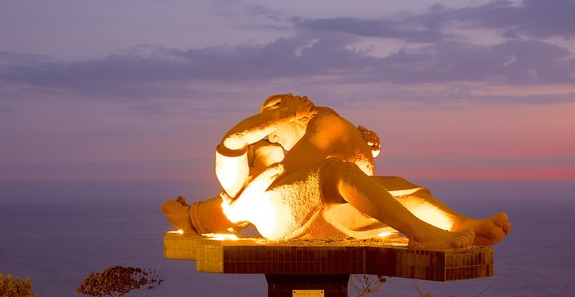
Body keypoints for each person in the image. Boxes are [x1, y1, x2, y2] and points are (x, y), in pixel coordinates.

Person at [162, 94, 511, 250]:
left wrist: (365, 146)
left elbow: (339, 166)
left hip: (320, 213)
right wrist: (279, 114)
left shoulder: (298, 159)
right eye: (281, 110)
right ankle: (422, 235)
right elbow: (229, 143)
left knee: (402, 188)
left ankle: (459, 224)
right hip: (281, 220)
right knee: (334, 173)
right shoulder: (248, 165)